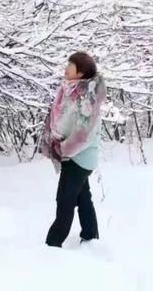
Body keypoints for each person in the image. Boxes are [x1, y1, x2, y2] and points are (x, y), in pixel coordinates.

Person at [40, 52, 107, 248]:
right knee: (83, 198)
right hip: (74, 155)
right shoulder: (71, 90)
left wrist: (62, 149)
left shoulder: (87, 97)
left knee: (65, 202)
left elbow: (83, 133)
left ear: (81, 72)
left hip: (78, 157)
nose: (66, 68)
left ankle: (52, 245)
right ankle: (91, 237)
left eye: (70, 65)